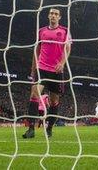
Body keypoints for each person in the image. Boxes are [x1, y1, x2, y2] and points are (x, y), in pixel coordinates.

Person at [23, 8, 72, 139]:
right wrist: (33, 70)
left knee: (54, 100)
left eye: (56, 14)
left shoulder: (65, 31)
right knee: (34, 94)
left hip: (56, 71)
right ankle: (31, 129)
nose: (53, 16)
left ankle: (49, 128)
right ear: (48, 16)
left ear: (59, 17)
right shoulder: (41, 31)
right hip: (42, 68)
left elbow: (68, 49)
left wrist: (62, 63)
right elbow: (37, 50)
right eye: (51, 13)